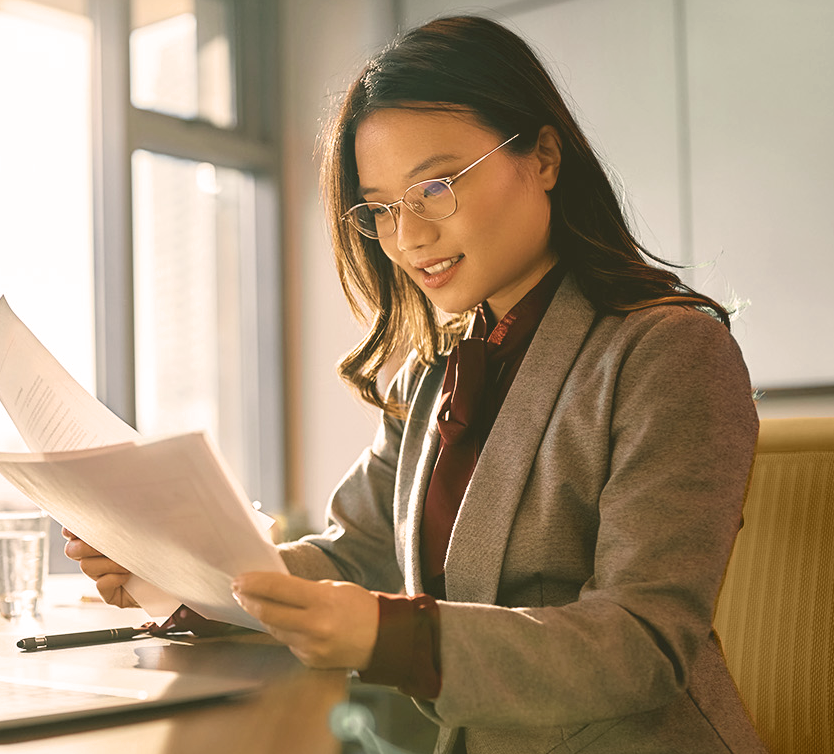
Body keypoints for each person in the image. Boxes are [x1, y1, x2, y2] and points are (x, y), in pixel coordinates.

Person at [62, 14, 767, 754]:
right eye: (380, 208)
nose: (407, 237)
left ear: (545, 156)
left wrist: (384, 633)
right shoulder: (436, 370)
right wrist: (189, 576)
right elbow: (349, 555)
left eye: (434, 186)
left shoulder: (668, 350)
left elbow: (640, 645)